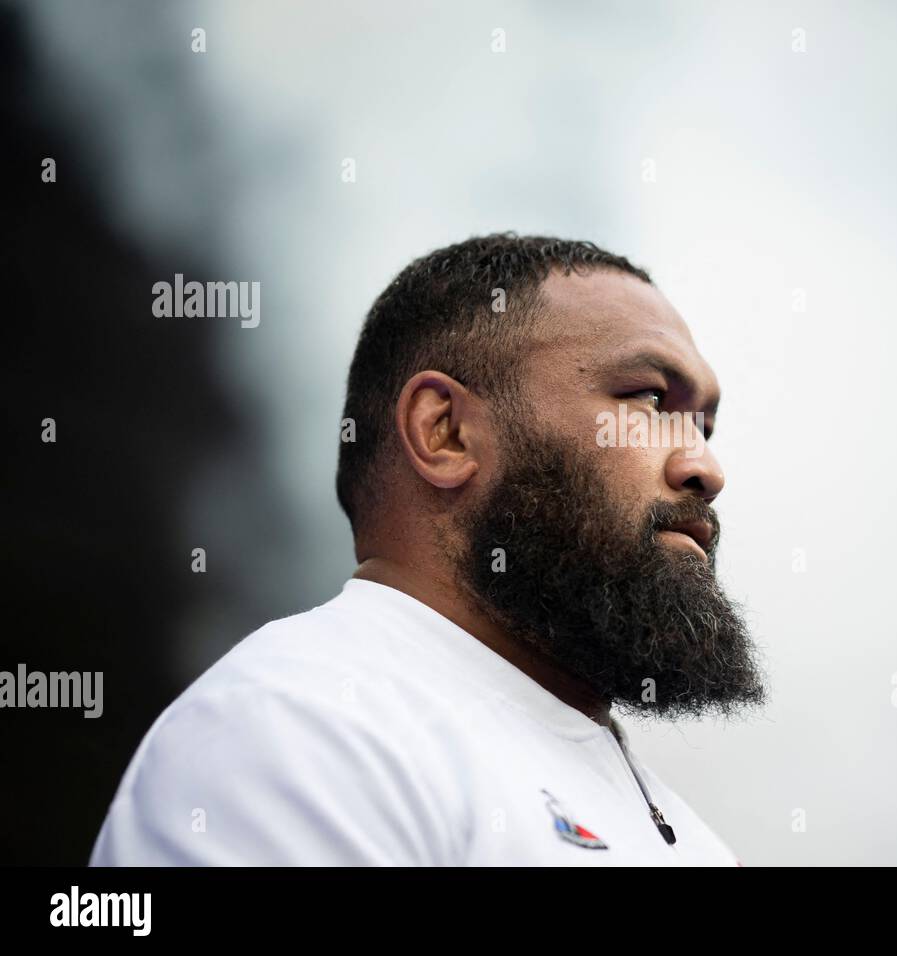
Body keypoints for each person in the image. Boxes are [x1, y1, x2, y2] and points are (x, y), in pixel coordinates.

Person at [91, 233, 766, 865]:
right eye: (648, 398)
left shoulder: (692, 836)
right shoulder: (297, 724)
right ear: (444, 432)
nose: (705, 466)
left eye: (703, 423)